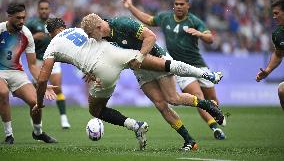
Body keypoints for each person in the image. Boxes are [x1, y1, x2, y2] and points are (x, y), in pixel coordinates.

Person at [33, 18, 225, 150]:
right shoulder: (82, 31)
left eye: (92, 33)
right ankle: (190, 140)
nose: (91, 37)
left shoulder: (118, 23)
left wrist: (39, 101)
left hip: (147, 54)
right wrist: (91, 70)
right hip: (129, 61)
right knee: (161, 104)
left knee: (172, 97)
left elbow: (150, 37)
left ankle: (206, 82)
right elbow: (86, 50)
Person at [122, 0, 226, 140]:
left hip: (199, 64)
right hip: (178, 67)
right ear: (173, 5)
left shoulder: (194, 21)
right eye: (176, 4)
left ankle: (214, 111)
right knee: (197, 96)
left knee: (213, 98)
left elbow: (210, 39)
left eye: (181, 4)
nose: (178, 6)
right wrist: (131, 7)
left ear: (188, 6)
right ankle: (215, 127)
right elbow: (148, 19)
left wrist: (200, 34)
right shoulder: (165, 18)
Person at [0, 3, 57, 144]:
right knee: (2, 93)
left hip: (16, 72)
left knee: (35, 102)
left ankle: (38, 132)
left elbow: (32, 65)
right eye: (18, 18)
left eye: (23, 18)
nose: (21, 21)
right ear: (10, 17)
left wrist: (41, 81)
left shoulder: (26, 34)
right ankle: (9, 135)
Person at [26, 0, 71, 129]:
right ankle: (36, 121)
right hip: (38, 61)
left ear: (49, 9)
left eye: (46, 8)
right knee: (37, 92)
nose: (44, 11)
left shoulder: (54, 23)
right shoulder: (31, 23)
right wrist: (34, 37)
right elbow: (21, 39)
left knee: (58, 88)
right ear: (38, 10)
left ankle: (64, 119)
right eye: (42, 8)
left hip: (53, 59)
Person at [256, 0, 284, 110]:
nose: (274, 17)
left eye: (276, 13)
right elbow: (278, 54)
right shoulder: (278, 34)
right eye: (273, 14)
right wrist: (268, 70)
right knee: (282, 91)